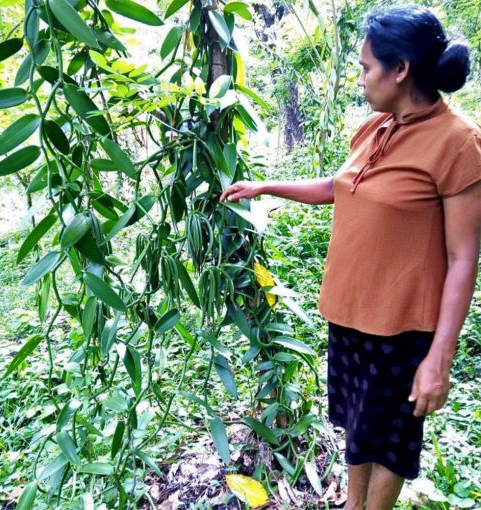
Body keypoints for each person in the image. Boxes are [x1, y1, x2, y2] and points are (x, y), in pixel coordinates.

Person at [219, 5, 481, 510]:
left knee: (389, 442)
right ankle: (352, 504)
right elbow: (340, 187)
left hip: (402, 330)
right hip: (349, 315)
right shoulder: (377, 127)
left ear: (400, 69)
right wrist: (267, 185)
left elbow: (463, 257)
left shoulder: (458, 143)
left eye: (365, 68)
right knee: (357, 425)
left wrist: (439, 359)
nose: (360, 79)